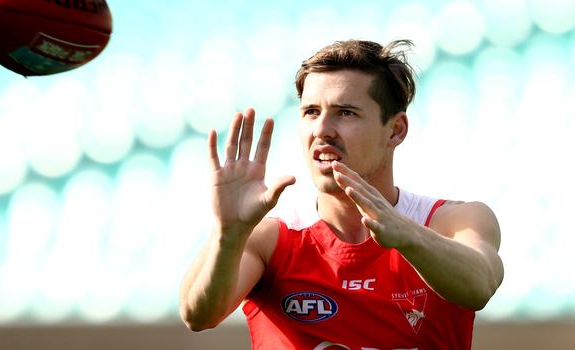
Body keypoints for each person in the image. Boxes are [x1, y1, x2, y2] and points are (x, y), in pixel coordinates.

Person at [179, 39, 504, 350]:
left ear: (396, 130)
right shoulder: (270, 239)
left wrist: (407, 235)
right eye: (310, 112)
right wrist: (229, 234)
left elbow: (480, 285)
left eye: (345, 112)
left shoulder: (453, 221)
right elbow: (198, 315)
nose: (322, 130)